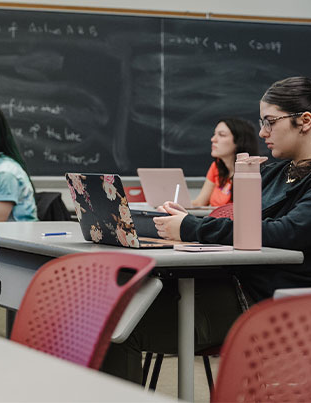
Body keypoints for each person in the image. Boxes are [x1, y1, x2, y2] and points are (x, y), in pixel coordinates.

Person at [102, 76, 311, 383]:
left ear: (304, 120)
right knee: (106, 315)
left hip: (265, 303)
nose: (263, 132)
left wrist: (191, 228)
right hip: (231, 284)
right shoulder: (274, 172)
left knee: (115, 329)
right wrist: (192, 222)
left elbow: (283, 233)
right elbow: (244, 228)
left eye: (270, 122)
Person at [191, 117, 258, 207]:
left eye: (222, 135)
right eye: (214, 134)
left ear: (239, 142)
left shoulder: (253, 173)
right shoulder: (216, 167)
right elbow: (199, 203)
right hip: (212, 219)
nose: (213, 139)